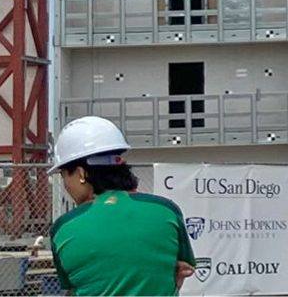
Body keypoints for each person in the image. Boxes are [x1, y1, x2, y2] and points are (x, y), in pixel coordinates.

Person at [49, 116, 195, 296]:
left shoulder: (64, 227)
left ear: (81, 173)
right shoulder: (166, 210)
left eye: (64, 175)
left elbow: (72, 286)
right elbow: (184, 267)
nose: (66, 185)